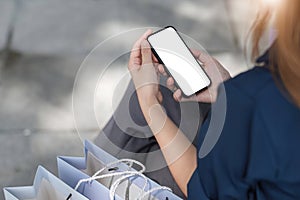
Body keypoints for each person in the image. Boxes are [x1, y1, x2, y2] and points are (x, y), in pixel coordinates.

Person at [127, 0, 300, 199]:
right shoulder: (251, 96)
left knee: (144, 96)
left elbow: (204, 192)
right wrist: (229, 93)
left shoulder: (249, 97)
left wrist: (149, 104)